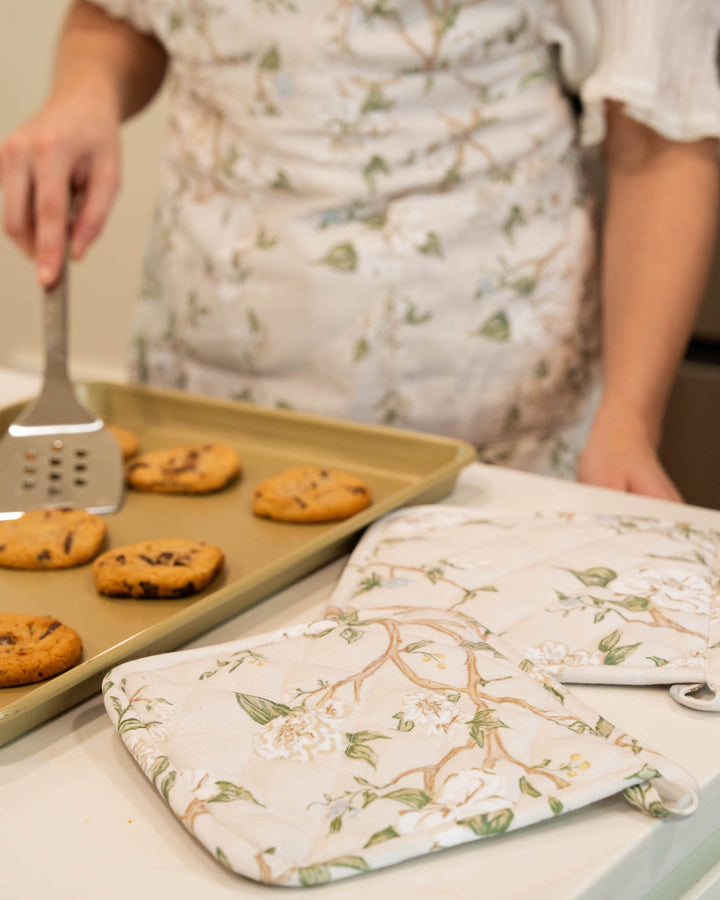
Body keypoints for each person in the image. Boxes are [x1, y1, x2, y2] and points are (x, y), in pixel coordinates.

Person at [1, 0, 719, 502]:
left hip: (496, 428)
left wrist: (628, 420)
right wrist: (83, 91)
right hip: (206, 398)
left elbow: (661, 132)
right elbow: (120, 14)